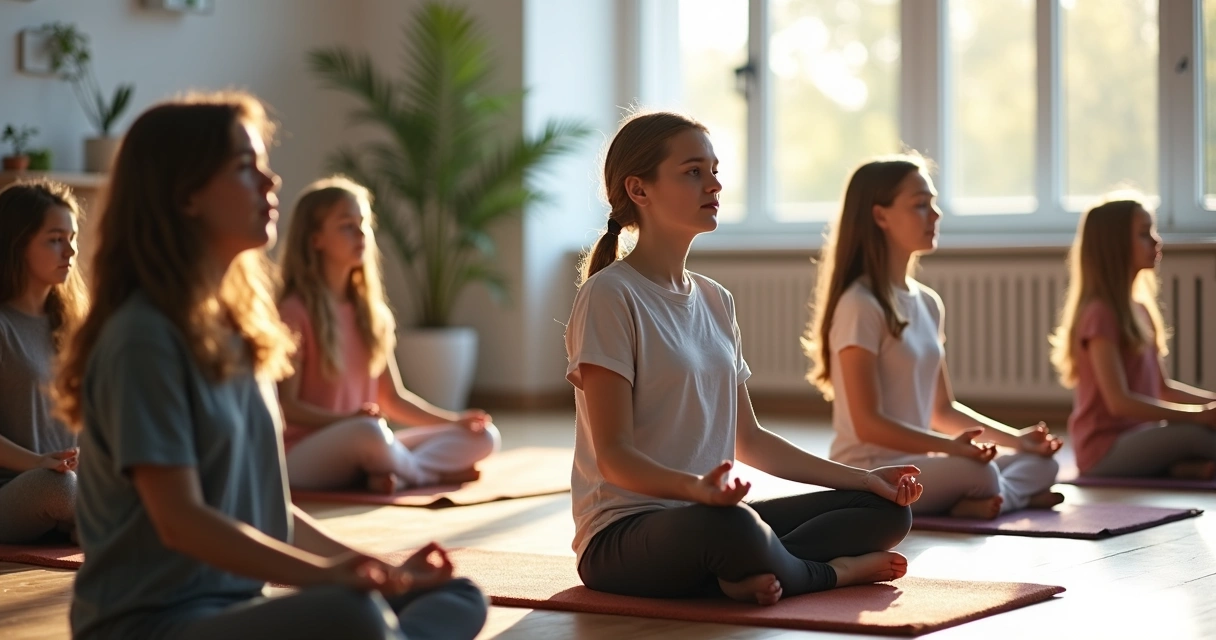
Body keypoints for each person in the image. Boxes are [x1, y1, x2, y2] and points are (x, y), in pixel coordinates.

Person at [54, 92, 487, 640]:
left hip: (236, 611)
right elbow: (180, 520)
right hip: (152, 624)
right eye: (244, 167)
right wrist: (330, 580)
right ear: (185, 193)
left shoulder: (244, 335)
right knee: (351, 615)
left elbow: (271, 512)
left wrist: (380, 572)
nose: (271, 182)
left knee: (453, 593)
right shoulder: (144, 339)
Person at [566, 112, 922, 606]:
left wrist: (865, 479)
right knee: (734, 528)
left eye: (714, 169)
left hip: (711, 515)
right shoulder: (610, 296)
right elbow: (615, 456)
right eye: (693, 171)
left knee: (885, 511)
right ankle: (826, 574)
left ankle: (746, 573)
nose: (713, 183)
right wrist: (700, 492)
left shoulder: (716, 300)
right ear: (639, 190)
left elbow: (749, 438)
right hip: (624, 538)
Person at [806, 155, 1062, 520]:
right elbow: (867, 423)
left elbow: (942, 410)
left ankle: (983, 501)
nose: (935, 214)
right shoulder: (859, 305)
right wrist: (951, 450)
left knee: (1043, 464)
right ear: (881, 216)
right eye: (921, 205)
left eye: (933, 203)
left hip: (919, 465)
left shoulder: (927, 302)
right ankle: (1000, 497)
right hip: (871, 471)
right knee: (980, 471)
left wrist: (1017, 440)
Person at [276, 176, 499, 493]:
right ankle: (423, 474)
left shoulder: (369, 313)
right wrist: (347, 421)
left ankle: (389, 472)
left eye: (363, 224)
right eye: (346, 226)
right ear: (315, 240)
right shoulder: (294, 312)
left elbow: (392, 399)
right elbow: (288, 407)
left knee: (484, 436)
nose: (361, 234)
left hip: (367, 438)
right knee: (370, 434)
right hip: (304, 454)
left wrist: (455, 421)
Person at [1050, 196, 1216, 478]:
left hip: (1140, 437)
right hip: (1103, 451)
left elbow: (1162, 388)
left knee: (1196, 431)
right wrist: (1198, 416)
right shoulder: (1099, 314)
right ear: (1114, 247)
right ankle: (1178, 466)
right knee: (1194, 435)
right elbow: (1119, 402)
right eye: (1143, 234)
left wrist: (1211, 403)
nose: (1156, 240)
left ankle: (1180, 469)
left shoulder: (1140, 309)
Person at [0, 179, 86, 543]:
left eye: (72, 237)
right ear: (16, 245)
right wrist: (37, 463)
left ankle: (88, 522)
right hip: (18, 488)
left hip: (76, 480)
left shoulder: (74, 326)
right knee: (58, 487)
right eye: (54, 239)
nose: (70, 251)